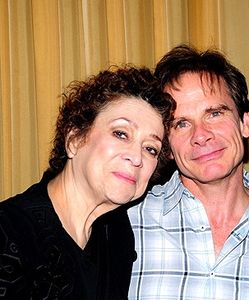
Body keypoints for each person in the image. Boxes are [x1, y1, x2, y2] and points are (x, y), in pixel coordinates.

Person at [128, 45, 249, 299]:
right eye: (181, 123)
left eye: (215, 113)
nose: (201, 135)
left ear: (245, 123)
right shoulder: (126, 221)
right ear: (167, 146)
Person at [0, 66, 174, 299]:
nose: (136, 157)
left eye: (150, 148)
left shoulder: (117, 236)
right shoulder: (10, 232)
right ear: (74, 139)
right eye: (121, 133)